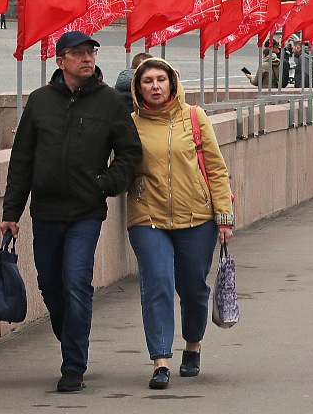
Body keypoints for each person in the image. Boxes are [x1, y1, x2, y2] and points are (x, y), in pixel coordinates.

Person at [0, 30, 142, 394]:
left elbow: (130, 153)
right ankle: (71, 337)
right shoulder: (40, 101)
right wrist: (12, 211)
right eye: (78, 53)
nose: (87, 58)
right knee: (50, 285)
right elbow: (22, 160)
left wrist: (104, 184)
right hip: (45, 211)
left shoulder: (110, 102)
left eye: (90, 52)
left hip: (85, 212)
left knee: (77, 283)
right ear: (60, 60)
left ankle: (73, 366)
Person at [127, 58, 234, 390]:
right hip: (148, 218)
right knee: (156, 283)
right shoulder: (129, 124)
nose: (155, 86)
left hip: (197, 218)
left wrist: (224, 217)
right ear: (137, 87)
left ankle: (192, 345)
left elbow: (215, 169)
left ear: (172, 84)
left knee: (193, 288)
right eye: (148, 81)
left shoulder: (194, 117)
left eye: (161, 79)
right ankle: (160, 361)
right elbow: (116, 165)